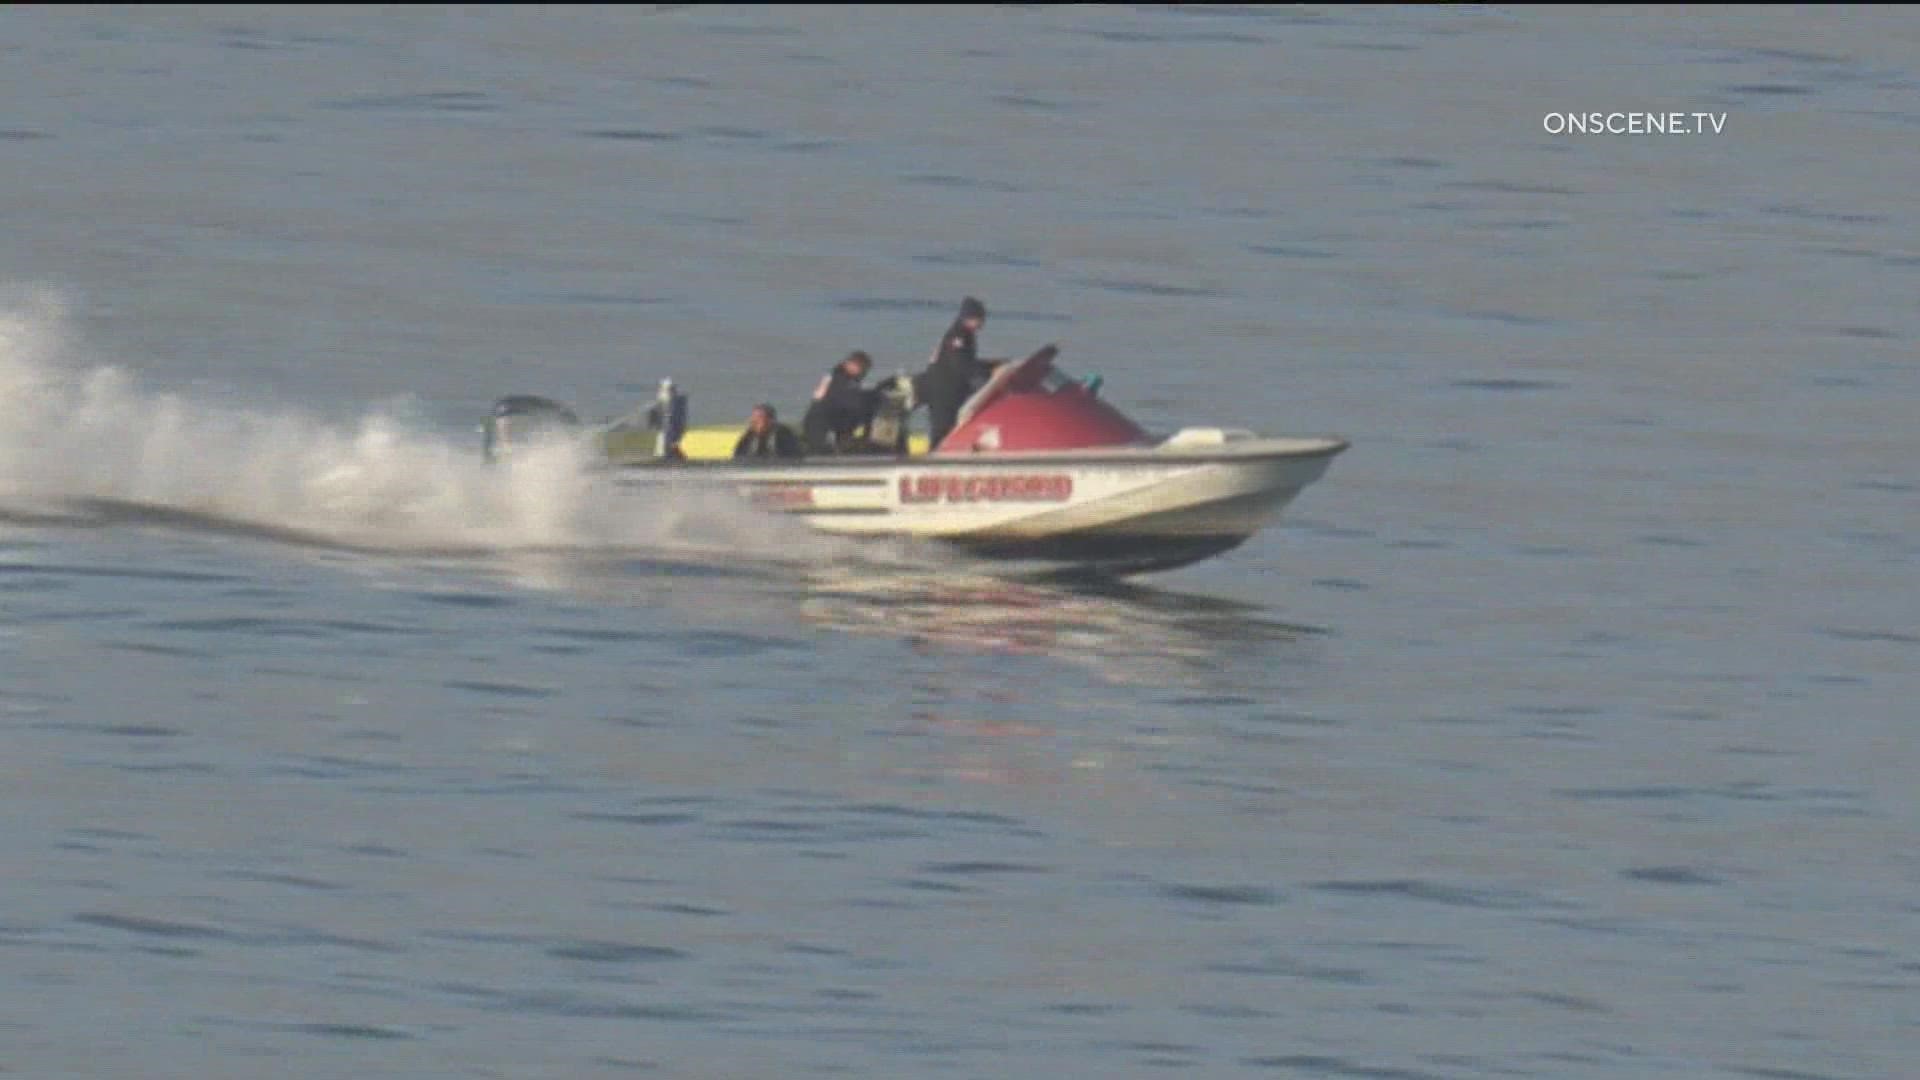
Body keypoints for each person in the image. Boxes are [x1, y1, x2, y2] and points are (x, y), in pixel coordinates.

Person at [913, 296, 999, 450]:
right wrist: (987, 370)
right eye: (981, 318)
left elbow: (965, 362)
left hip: (948, 389)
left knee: (947, 427)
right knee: (942, 430)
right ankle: (934, 460)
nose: (983, 323)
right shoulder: (958, 336)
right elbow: (961, 364)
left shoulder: (964, 334)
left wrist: (992, 365)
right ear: (972, 317)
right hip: (942, 390)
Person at [801, 350, 879, 454]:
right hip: (821, 421)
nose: (863, 373)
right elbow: (845, 399)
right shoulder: (839, 379)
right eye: (862, 368)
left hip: (831, 418)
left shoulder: (841, 378)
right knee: (820, 451)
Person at [733, 403, 803, 460]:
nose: (754, 421)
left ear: (770, 420)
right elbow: (738, 457)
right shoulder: (749, 436)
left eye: (759, 417)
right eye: (753, 417)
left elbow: (793, 457)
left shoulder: (783, 434)